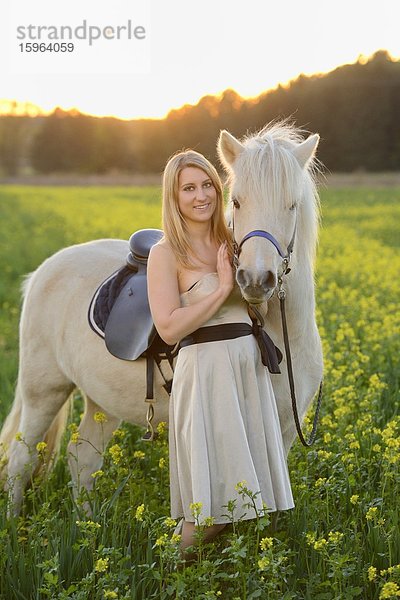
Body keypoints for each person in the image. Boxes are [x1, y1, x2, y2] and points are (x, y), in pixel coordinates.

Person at [147, 150, 294, 560]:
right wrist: (220, 288)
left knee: (249, 497)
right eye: (188, 188)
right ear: (173, 197)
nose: (201, 196)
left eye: (208, 184)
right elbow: (170, 327)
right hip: (207, 371)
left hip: (247, 367)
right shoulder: (165, 254)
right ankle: (164, 573)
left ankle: (218, 578)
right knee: (210, 510)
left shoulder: (235, 242)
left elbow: (256, 309)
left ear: (220, 187)